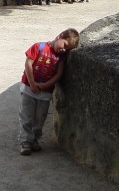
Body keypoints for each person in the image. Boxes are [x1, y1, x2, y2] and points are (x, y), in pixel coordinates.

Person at [18, 28, 80, 156]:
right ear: (60, 36)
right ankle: (25, 141)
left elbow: (58, 74)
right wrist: (32, 83)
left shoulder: (60, 58)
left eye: (67, 50)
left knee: (40, 118)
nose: (64, 50)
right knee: (26, 115)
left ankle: (34, 139)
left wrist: (45, 85)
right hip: (29, 89)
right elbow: (28, 64)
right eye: (65, 45)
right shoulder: (38, 47)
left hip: (45, 93)